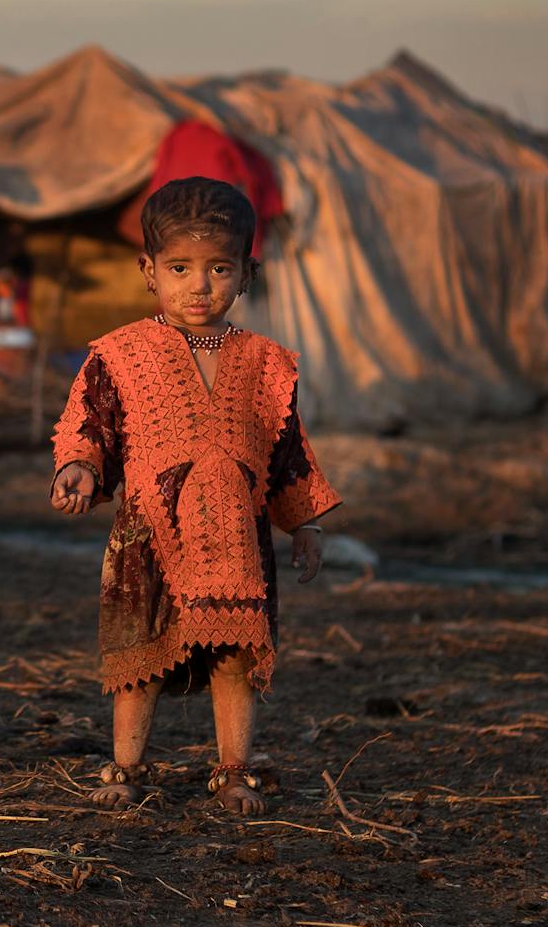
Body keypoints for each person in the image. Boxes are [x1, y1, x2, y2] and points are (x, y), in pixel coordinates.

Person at [48, 176, 341, 815]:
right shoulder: (119, 354)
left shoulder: (267, 363)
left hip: (239, 537)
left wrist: (306, 524)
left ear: (246, 273)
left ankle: (235, 771)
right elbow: (91, 422)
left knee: (234, 656)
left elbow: (286, 449)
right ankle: (125, 768)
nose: (199, 285)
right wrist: (79, 466)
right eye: (180, 268)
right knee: (138, 659)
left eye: (218, 268)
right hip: (146, 536)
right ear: (149, 271)